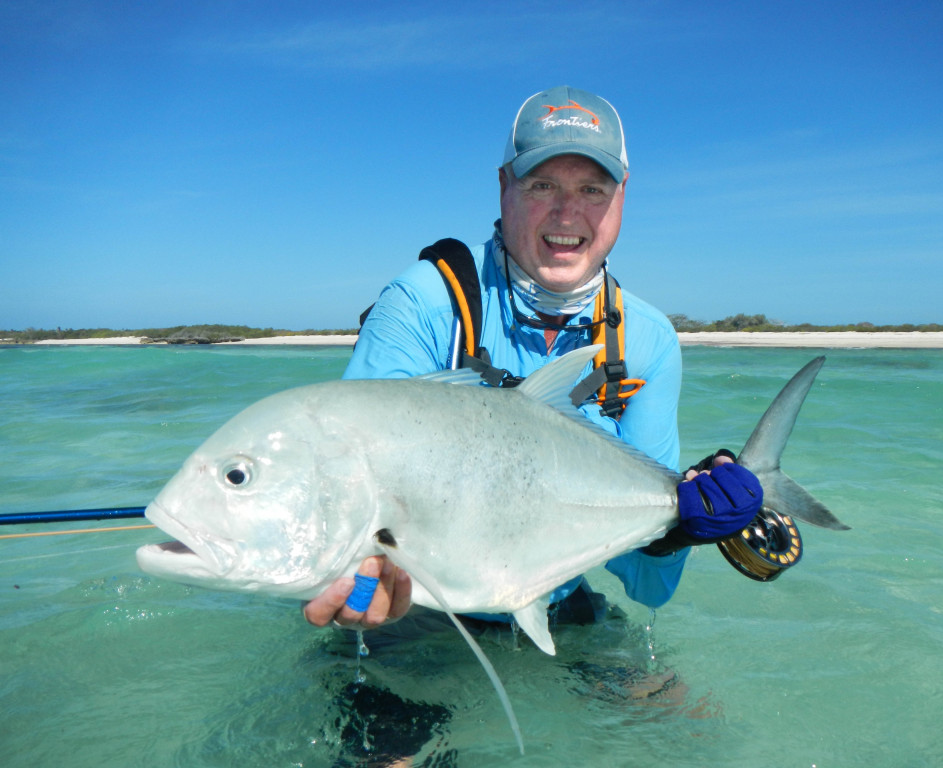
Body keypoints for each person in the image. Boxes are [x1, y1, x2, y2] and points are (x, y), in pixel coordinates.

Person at [303, 85, 763, 633]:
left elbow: (647, 589)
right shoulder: (424, 304)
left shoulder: (646, 339)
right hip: (418, 611)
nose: (567, 212)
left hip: (554, 601)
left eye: (593, 189)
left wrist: (678, 529)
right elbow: (353, 493)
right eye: (542, 184)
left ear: (622, 198)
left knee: (675, 714)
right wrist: (355, 586)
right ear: (503, 187)